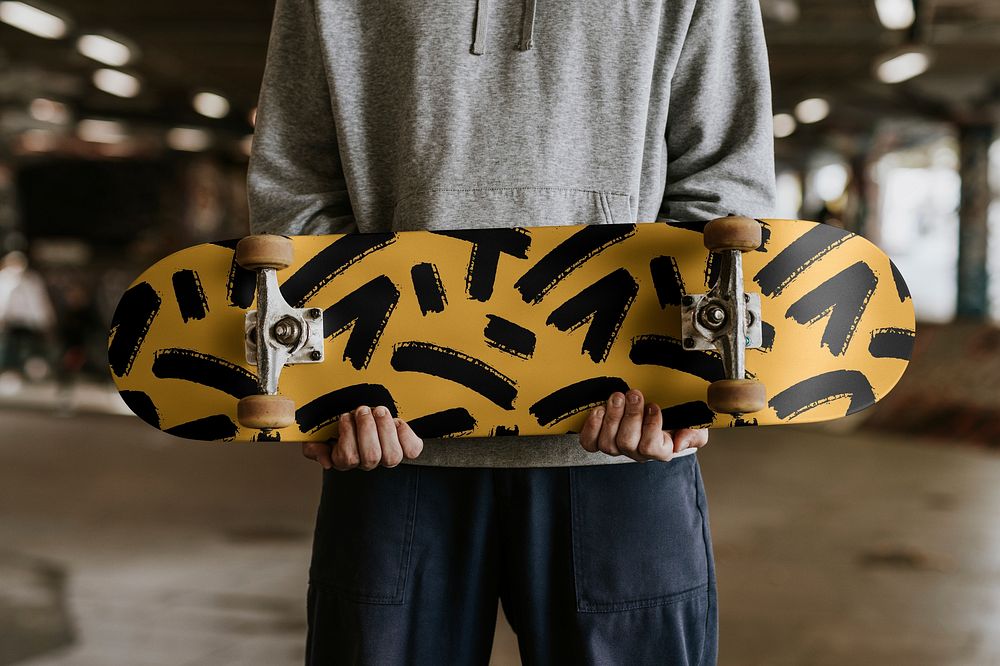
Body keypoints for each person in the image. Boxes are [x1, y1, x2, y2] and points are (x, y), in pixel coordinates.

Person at [248, 0, 775, 663]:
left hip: (624, 439)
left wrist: (683, 384)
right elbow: (296, 183)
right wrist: (333, 382)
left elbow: (724, 184)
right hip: (393, 442)